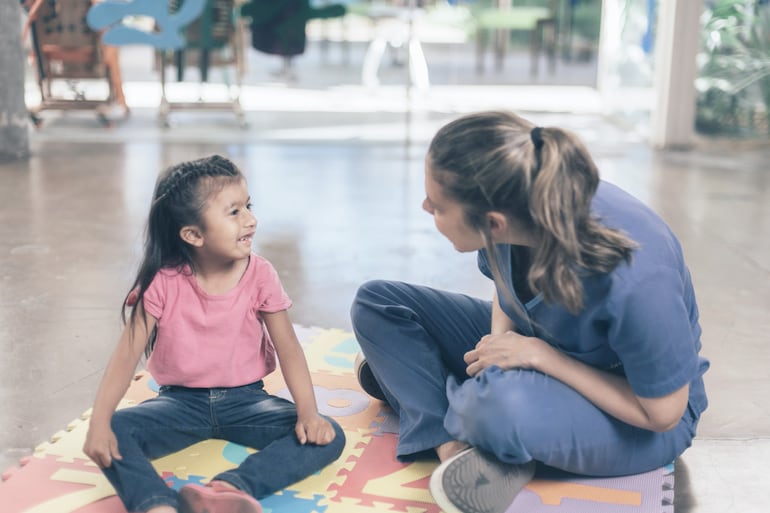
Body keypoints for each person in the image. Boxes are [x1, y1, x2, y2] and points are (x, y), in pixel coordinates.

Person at [350, 111, 709, 513]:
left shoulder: (636, 277)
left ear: (493, 223)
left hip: (637, 412)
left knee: (490, 408)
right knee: (376, 304)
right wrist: (502, 349)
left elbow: (663, 412)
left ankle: (428, 390)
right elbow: (505, 292)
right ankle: (451, 445)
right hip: (538, 344)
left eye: (436, 207)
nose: (424, 206)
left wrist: (541, 357)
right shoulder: (519, 200)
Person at [83, 155, 345, 513]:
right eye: (234, 212)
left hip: (247, 402)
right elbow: (125, 357)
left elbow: (289, 349)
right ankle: (156, 505)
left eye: (248, 206)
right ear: (193, 234)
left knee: (328, 434)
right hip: (179, 405)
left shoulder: (261, 274)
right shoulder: (162, 283)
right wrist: (99, 423)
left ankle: (229, 488)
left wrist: (309, 413)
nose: (251, 220)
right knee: (113, 429)